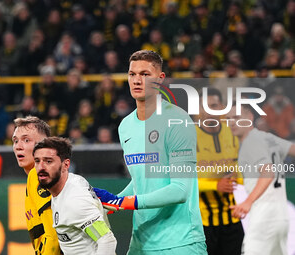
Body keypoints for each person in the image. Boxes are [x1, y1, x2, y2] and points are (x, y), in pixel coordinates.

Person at [94, 50, 206, 254]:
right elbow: (141, 180)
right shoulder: (125, 126)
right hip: (141, 243)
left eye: (145, 74)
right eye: (132, 74)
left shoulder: (177, 121)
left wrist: (126, 203)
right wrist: (114, 203)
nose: (137, 80)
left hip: (179, 243)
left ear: (160, 79)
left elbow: (180, 190)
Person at [227, 103, 295, 255]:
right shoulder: (267, 138)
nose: (231, 122)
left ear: (250, 117)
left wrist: (248, 201)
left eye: (236, 117)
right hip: (282, 217)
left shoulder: (251, 142)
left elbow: (267, 172)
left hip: (264, 217)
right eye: (228, 119)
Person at [33, 137, 117, 254]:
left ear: (65, 165)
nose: (41, 167)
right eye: (37, 161)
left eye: (48, 161)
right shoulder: (71, 181)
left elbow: (107, 241)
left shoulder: (74, 201)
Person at [196, 88, 244, 255]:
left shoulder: (232, 132)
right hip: (202, 223)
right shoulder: (187, 136)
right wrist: (215, 185)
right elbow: (182, 180)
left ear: (222, 107)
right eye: (204, 106)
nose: (209, 111)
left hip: (233, 220)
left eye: (214, 105)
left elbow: (241, 169)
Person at [12, 116, 61, 255]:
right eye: (15, 141)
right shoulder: (51, 174)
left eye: (26, 140)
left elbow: (54, 234)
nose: (18, 146)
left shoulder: (38, 175)